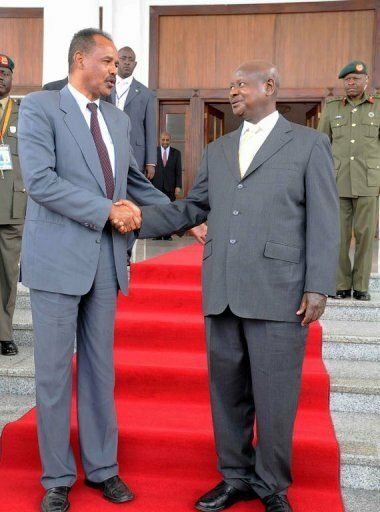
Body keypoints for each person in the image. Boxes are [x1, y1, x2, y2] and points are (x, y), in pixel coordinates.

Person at [127, 60, 340, 512]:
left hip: (279, 291)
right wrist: (138, 218)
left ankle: (272, 485)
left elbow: (324, 219)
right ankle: (235, 477)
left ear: (269, 86)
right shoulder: (219, 149)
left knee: (276, 397)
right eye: (230, 85)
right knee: (227, 394)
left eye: (241, 84)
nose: (232, 91)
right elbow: (194, 207)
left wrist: (318, 285)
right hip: (222, 288)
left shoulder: (308, 144)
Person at [18, 28, 170, 512]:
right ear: (79, 59)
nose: (114, 70)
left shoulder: (118, 120)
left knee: (101, 370)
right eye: (106, 61)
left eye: (115, 64)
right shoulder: (41, 108)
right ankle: (57, 477)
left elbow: (131, 183)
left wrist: (189, 218)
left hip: (106, 262)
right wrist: (107, 210)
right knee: (54, 374)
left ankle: (103, 469)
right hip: (57, 261)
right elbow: (40, 181)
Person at [318, 60, 380, 301]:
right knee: (339, 235)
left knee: (365, 234)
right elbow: (322, 146)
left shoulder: (377, 107)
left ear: (366, 81)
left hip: (368, 181)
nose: (351, 83)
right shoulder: (333, 108)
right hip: (338, 182)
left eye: (355, 79)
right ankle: (341, 284)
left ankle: (362, 285)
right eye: (347, 80)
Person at [0, 54, 27, 356]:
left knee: (8, 275)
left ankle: (4, 333)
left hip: (12, 207)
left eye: (5, 73)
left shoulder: (24, 114)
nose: (1, 77)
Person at [105, 46, 156, 180]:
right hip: (107, 148)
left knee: (131, 192)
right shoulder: (105, 87)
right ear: (116, 61)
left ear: (135, 64)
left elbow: (150, 129)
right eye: (123, 58)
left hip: (135, 153)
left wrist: (151, 162)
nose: (127, 62)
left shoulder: (146, 93)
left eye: (131, 59)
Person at [151, 131, 182, 240]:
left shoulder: (176, 153)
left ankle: (167, 235)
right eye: (163, 140)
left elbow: (178, 171)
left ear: (170, 140)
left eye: (167, 140)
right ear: (160, 140)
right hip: (156, 186)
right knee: (157, 212)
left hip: (170, 187)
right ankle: (157, 235)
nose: (165, 142)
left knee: (169, 211)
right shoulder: (153, 152)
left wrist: (178, 186)